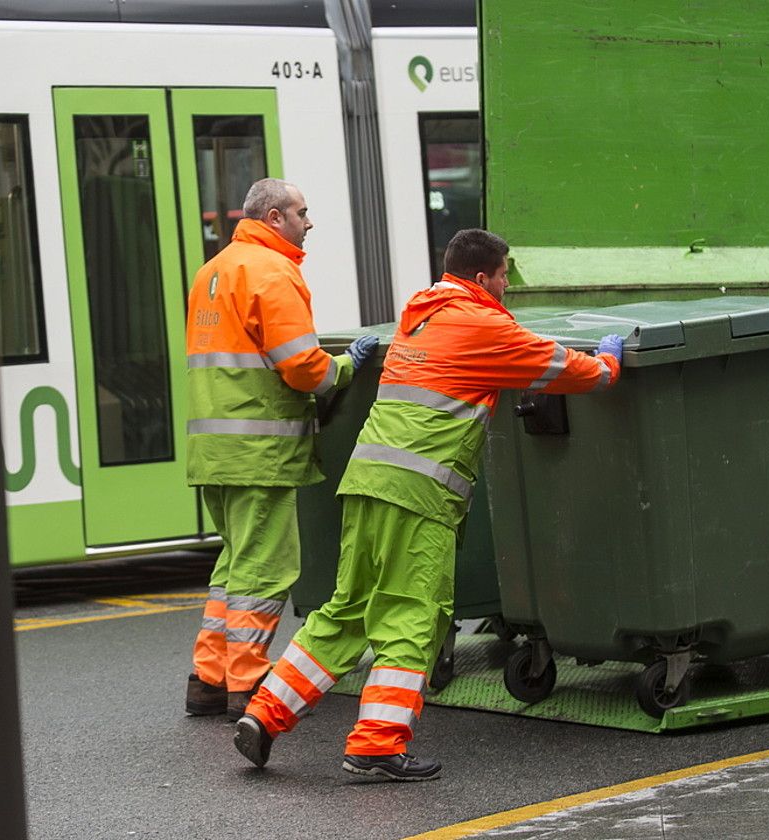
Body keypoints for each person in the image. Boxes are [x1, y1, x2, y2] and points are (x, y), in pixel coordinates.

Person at [234, 228, 624, 780]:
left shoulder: (418, 317)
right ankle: (376, 744)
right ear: (484, 277)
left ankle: (265, 715)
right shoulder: (485, 324)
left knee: (346, 609)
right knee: (412, 616)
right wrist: (608, 364)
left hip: (366, 481)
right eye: (505, 274)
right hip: (419, 496)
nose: (508, 284)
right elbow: (562, 367)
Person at [184, 178, 379, 721]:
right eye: (302, 211)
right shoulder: (272, 271)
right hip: (259, 450)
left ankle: (208, 677)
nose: (308, 221)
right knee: (265, 571)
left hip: (214, 449)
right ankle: (246, 684)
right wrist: (346, 368)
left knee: (234, 566)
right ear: (274, 217)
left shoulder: (214, 269)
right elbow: (302, 366)